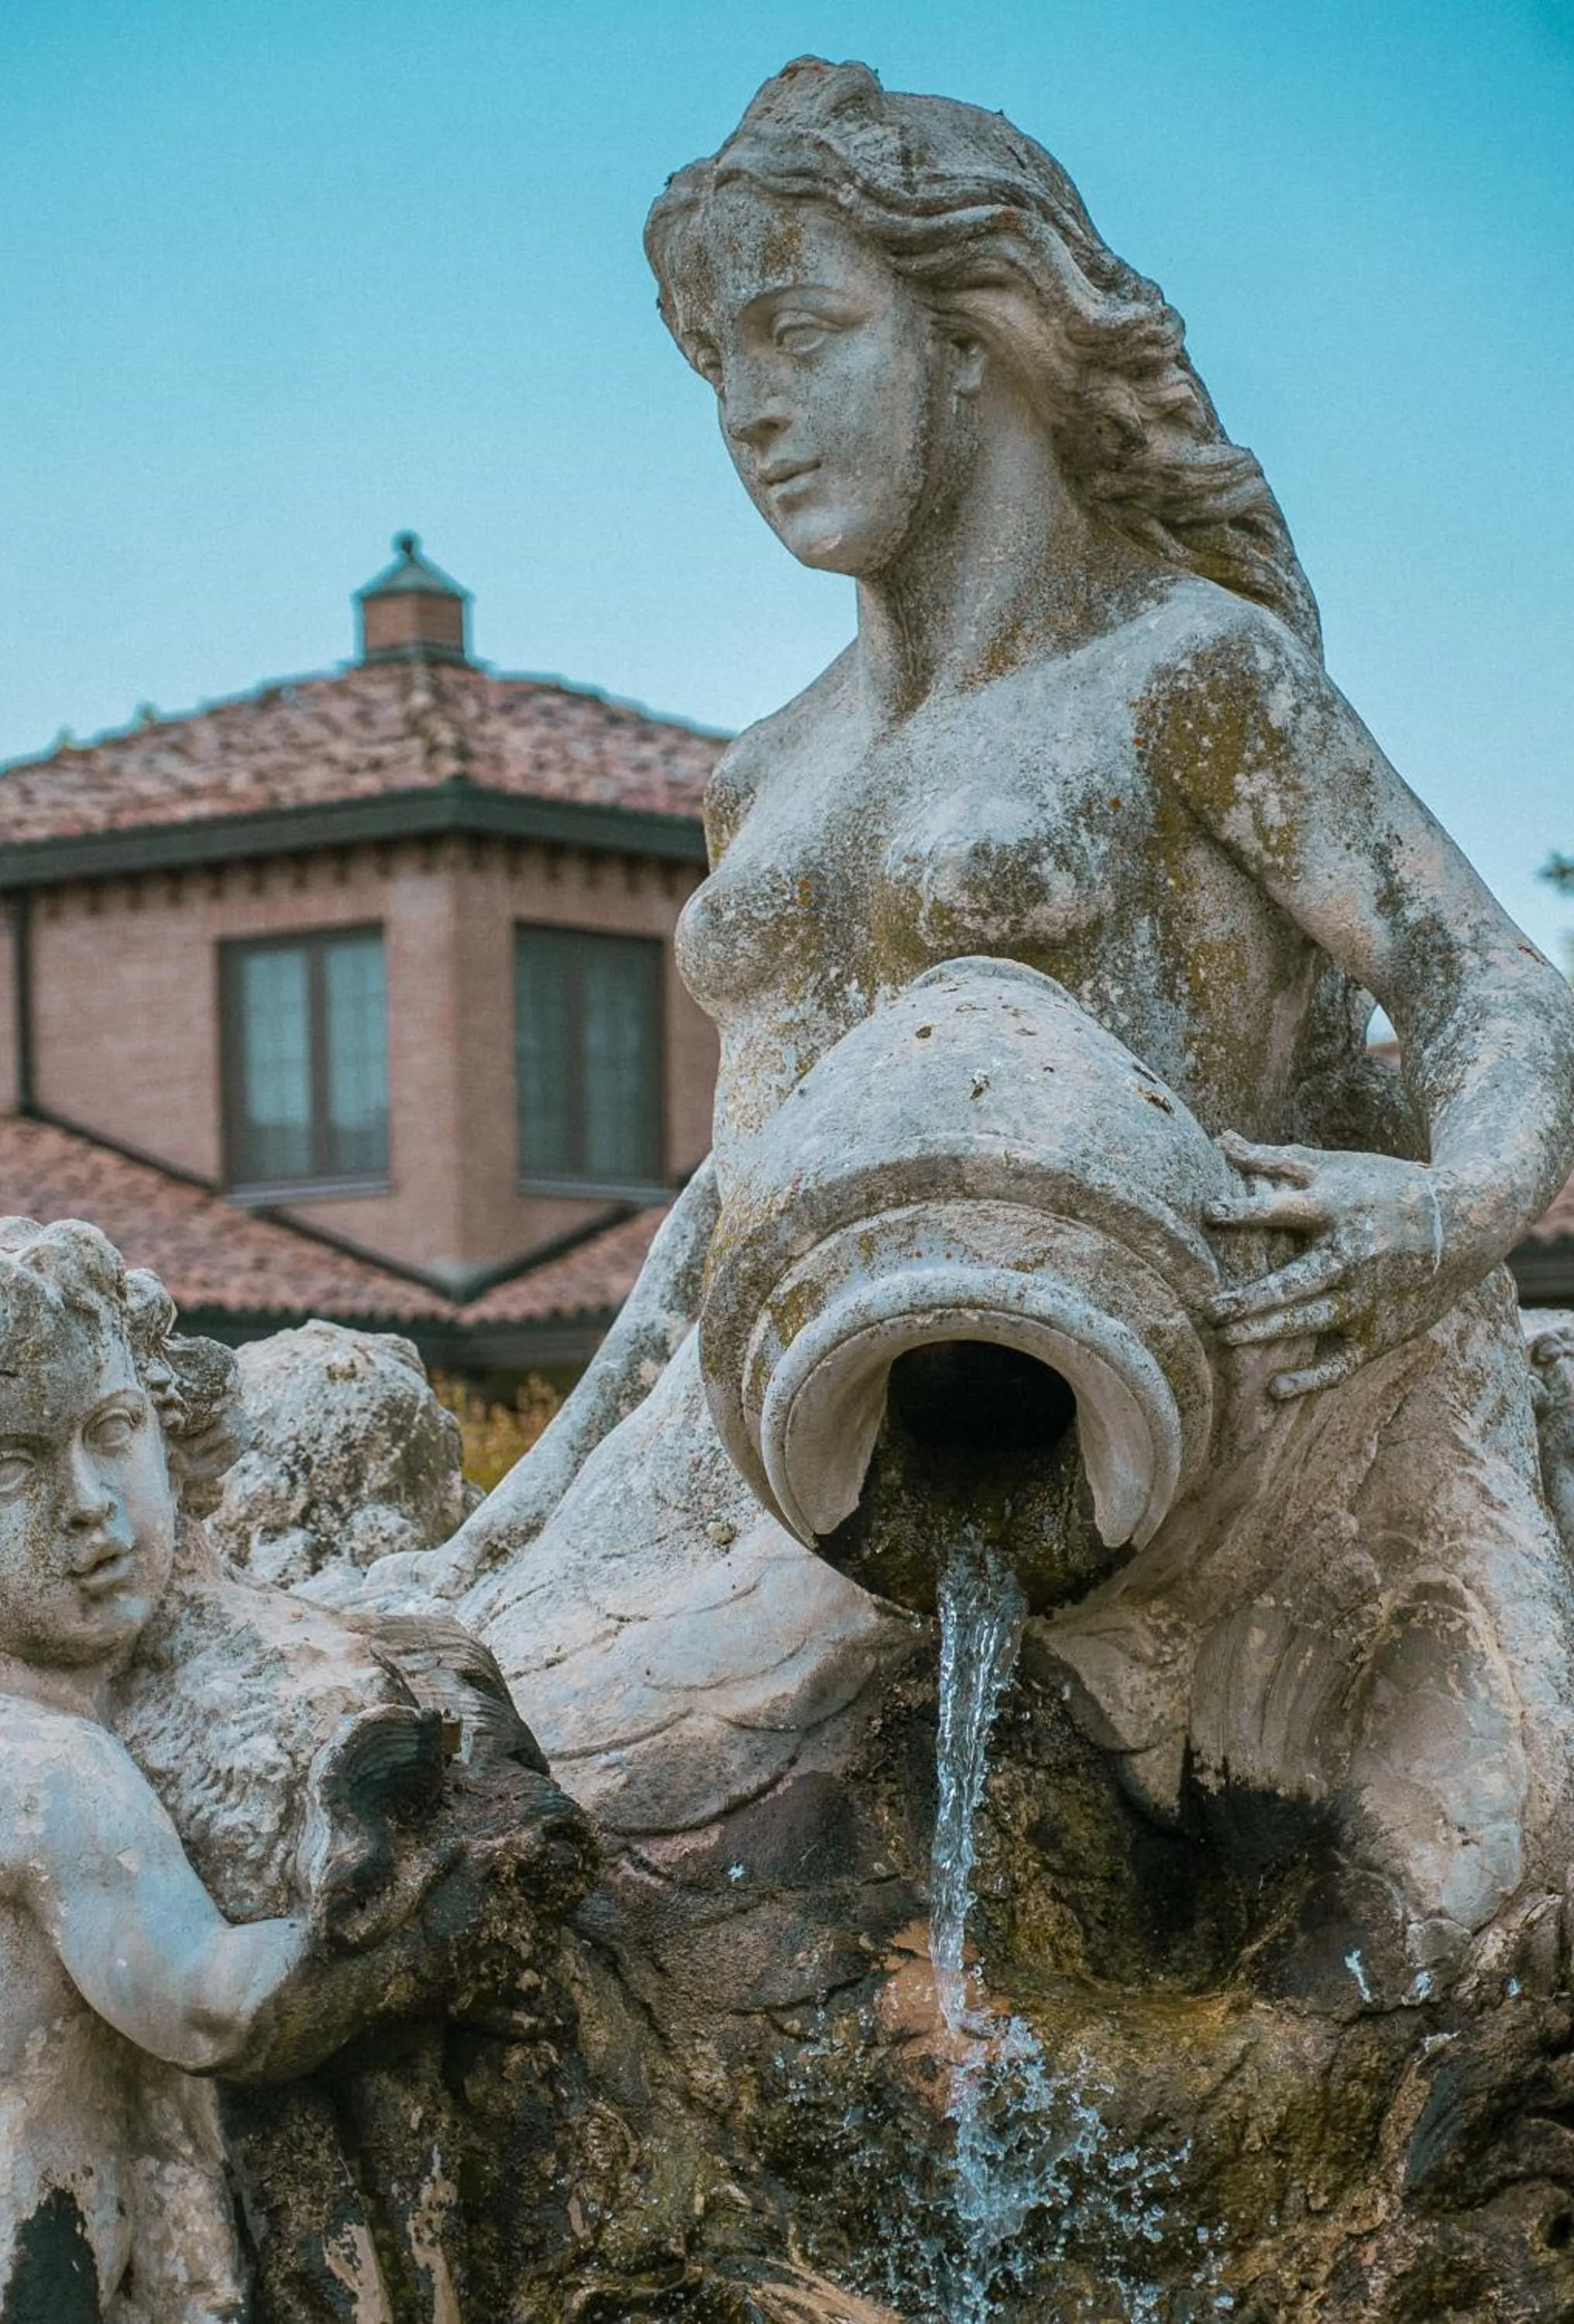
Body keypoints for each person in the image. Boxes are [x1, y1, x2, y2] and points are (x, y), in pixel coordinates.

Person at [425, 58, 1574, 2003]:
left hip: (1191, 1439)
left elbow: (1492, 992)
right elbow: (729, 1209)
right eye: (713, 363)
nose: (750, 412)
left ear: (978, 340)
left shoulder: (1187, 675)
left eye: (798, 331)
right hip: (831, 1454)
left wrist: (1445, 1216)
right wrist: (522, 1519)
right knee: (432, 1772)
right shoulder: (764, 775)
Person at [0, 1215, 455, 2322]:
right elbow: (208, 2009)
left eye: (113, 1428)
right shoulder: (36, 1763)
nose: (91, 1504)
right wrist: (436, 1923)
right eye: (7, 1469)